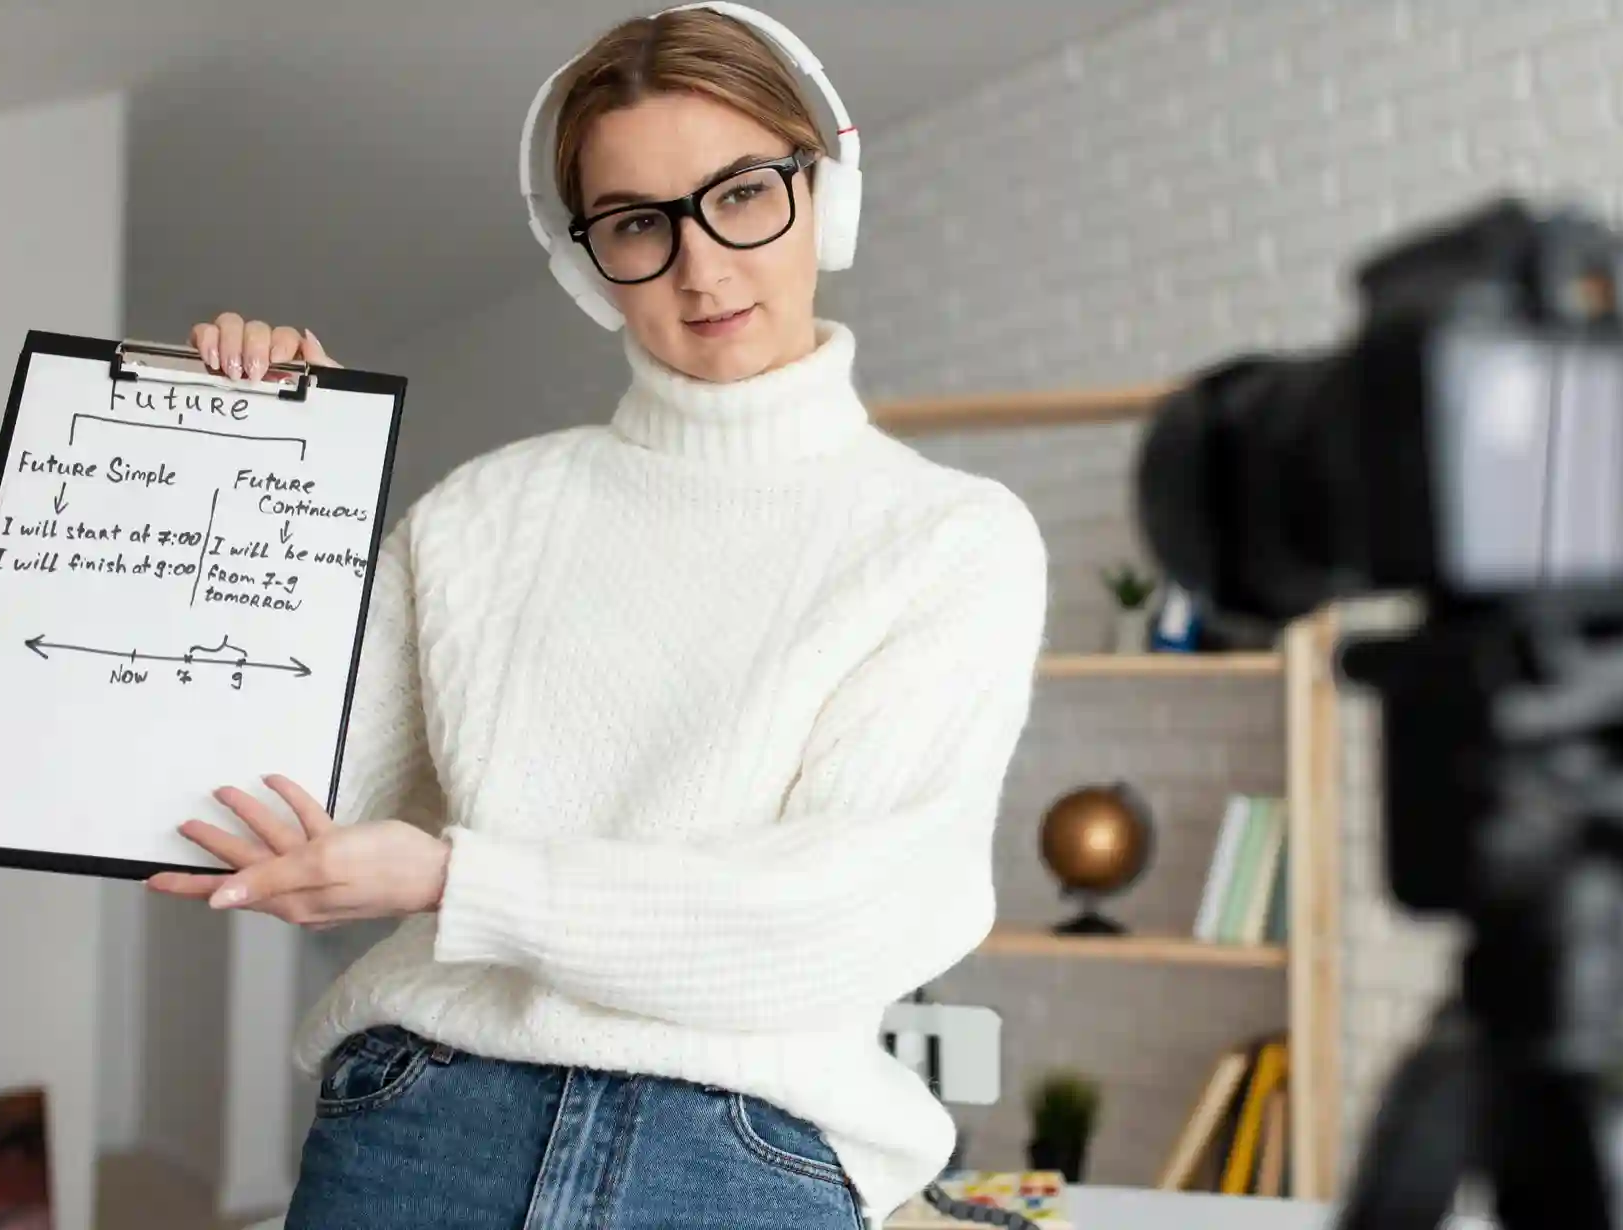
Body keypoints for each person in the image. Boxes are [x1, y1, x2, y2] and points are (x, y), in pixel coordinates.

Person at [148, 5, 1049, 1228]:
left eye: (739, 194)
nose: (700, 265)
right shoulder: (482, 515)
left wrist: (461, 881)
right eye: (637, 223)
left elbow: (845, 916)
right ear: (584, 261)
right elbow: (263, 810)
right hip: (421, 1122)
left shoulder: (947, 539)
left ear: (823, 192)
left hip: (736, 1152)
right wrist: (260, 472)